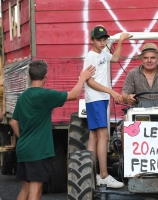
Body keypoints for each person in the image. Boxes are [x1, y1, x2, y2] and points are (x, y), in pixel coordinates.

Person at [9, 60, 95, 200]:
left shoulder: (22, 97)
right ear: (46, 76)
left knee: (25, 190)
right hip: (38, 151)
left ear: (29, 76)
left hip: (23, 149)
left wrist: (24, 137)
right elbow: (74, 94)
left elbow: (13, 122)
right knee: (35, 192)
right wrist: (83, 78)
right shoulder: (46, 95)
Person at [83, 25, 132, 188]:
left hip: (100, 98)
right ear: (92, 40)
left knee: (95, 136)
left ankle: (91, 174)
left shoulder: (103, 53)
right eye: (99, 39)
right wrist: (111, 91)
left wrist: (121, 41)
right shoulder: (91, 57)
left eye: (104, 39)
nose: (103, 42)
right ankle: (103, 175)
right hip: (96, 98)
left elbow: (116, 58)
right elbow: (89, 80)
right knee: (103, 135)